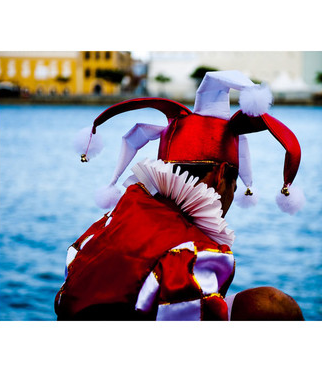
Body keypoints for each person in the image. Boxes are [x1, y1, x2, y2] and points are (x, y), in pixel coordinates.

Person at [54, 70, 305, 320]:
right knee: (274, 307)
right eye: (235, 182)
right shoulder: (192, 254)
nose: (235, 191)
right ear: (220, 177)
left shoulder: (107, 223)